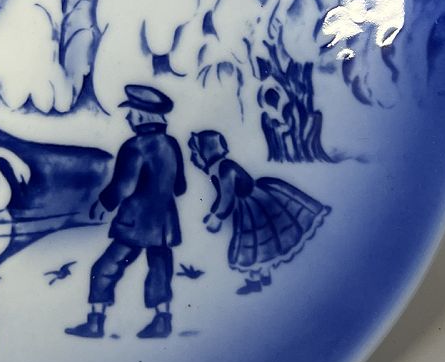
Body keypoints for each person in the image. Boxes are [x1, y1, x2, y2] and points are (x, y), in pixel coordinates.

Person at [66, 85, 186, 340]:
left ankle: (96, 322)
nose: (129, 118)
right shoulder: (171, 144)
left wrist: (103, 204)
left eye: (130, 113)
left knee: (106, 267)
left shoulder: (135, 146)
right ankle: (162, 321)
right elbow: (181, 186)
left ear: (141, 115)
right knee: (160, 270)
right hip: (164, 223)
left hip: (135, 222)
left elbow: (124, 186)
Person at [187, 130, 330, 293]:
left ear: (206, 152)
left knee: (255, 242)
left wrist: (217, 217)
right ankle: (264, 275)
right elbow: (221, 195)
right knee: (263, 241)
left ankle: (256, 280)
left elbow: (227, 198)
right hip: (249, 204)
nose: (192, 159)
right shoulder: (218, 168)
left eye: (195, 154)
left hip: (253, 205)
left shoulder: (223, 168)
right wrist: (214, 211)